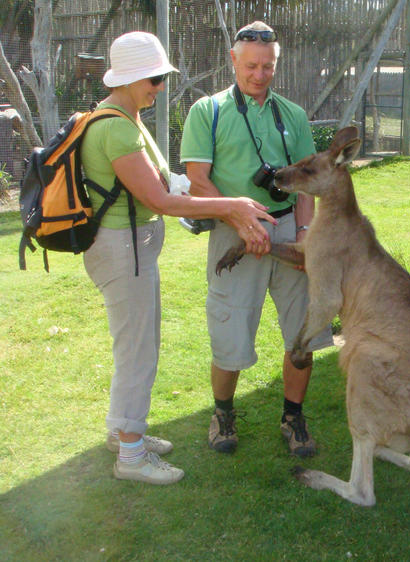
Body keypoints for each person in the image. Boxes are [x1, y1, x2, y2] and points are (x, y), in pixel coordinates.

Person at [82, 31, 276, 485]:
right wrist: (233, 205)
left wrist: (197, 190)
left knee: (135, 345)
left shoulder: (125, 117)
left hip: (132, 249)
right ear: (128, 78)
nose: (159, 86)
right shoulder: (115, 126)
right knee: (138, 353)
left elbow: (164, 182)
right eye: (152, 78)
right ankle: (131, 454)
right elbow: (161, 200)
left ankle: (123, 431)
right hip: (123, 251)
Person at [180, 21, 333, 458]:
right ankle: (223, 414)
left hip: (288, 230)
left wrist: (305, 236)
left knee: (304, 336)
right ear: (233, 60)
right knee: (230, 333)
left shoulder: (294, 115)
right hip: (233, 229)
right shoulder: (206, 112)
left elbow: (307, 183)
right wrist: (242, 220)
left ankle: (293, 417)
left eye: (268, 66)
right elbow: (197, 181)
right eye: (250, 66)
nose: (259, 75)